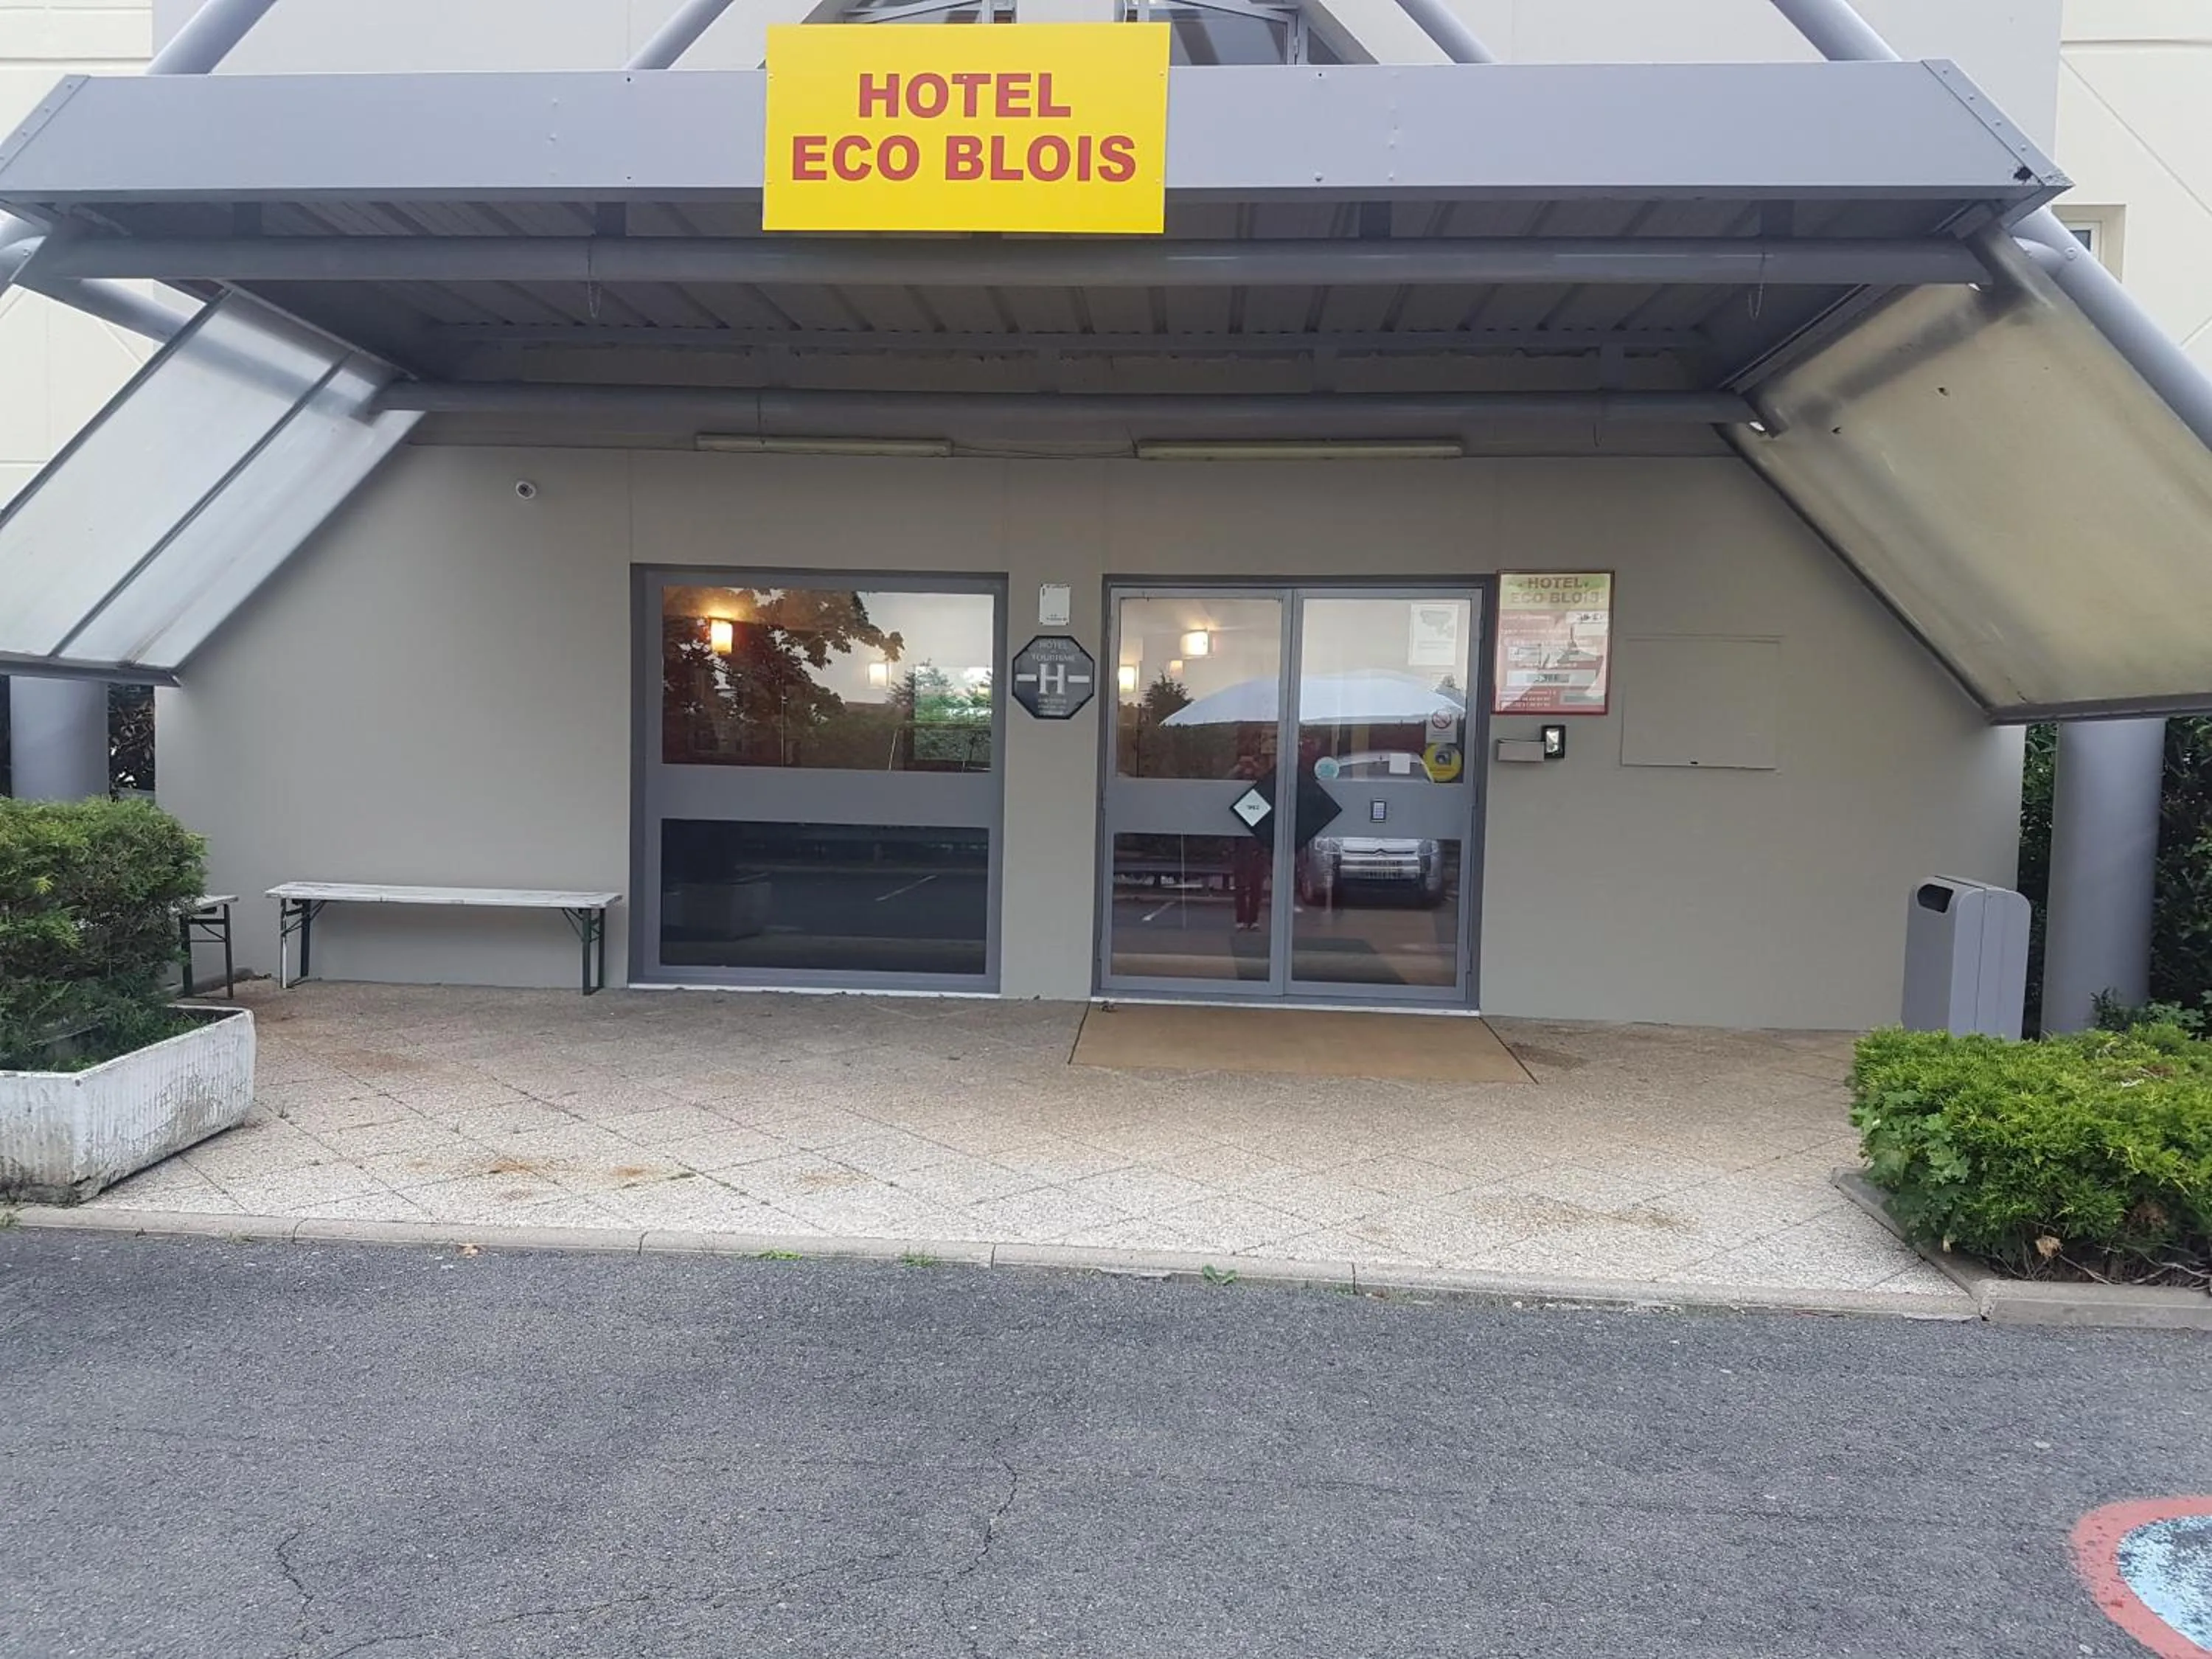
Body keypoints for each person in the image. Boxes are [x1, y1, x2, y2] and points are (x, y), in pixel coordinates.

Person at [1228, 728, 1274, 933]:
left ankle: (1253, 919)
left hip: (1258, 837)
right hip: (1240, 838)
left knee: (1256, 881)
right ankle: (1241, 918)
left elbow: (1269, 783)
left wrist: (1255, 769)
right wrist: (1238, 770)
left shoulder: (1260, 779)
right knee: (1240, 881)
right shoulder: (1236, 780)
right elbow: (1223, 787)